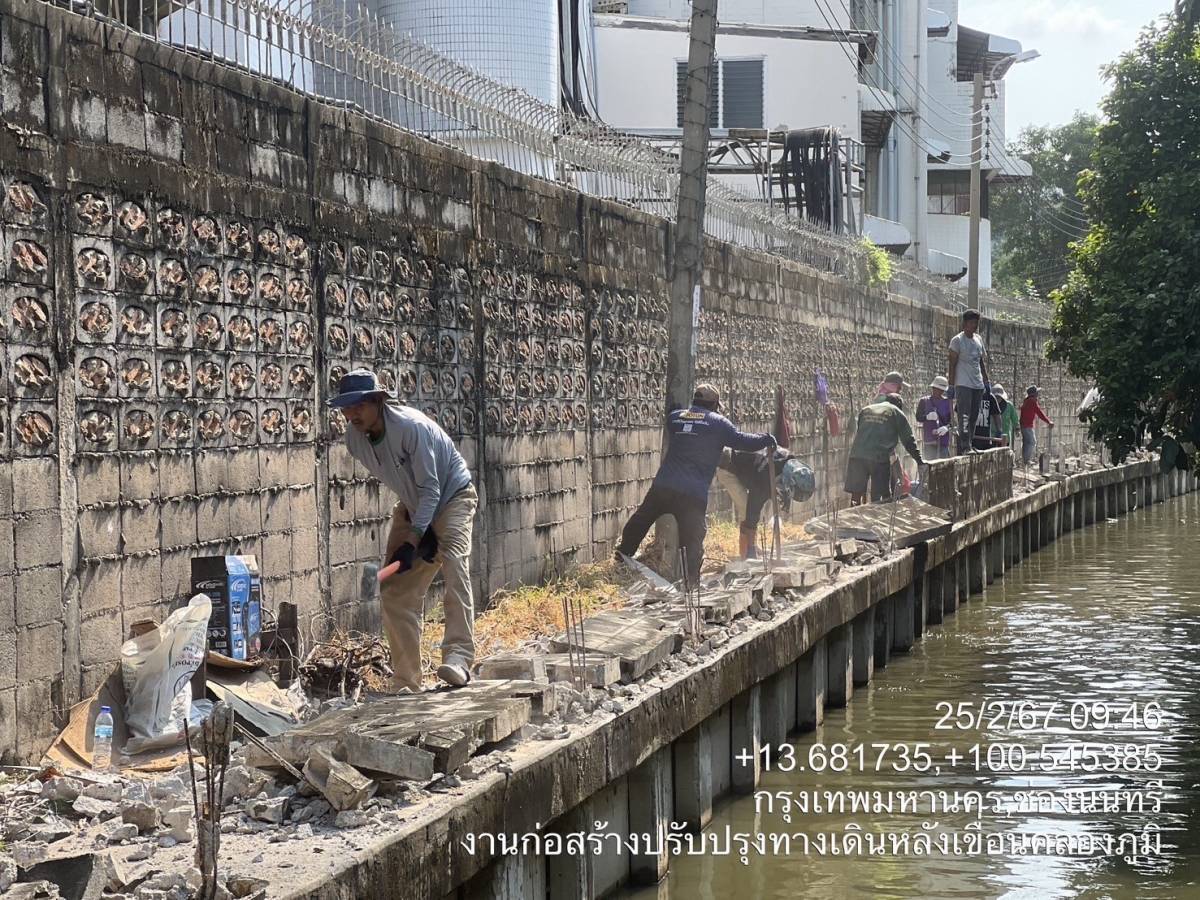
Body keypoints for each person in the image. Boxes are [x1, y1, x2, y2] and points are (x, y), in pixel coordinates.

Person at [331, 369, 478, 691]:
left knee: (454, 565)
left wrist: (416, 537)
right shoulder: (354, 439)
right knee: (395, 589)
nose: (352, 414)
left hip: (452, 497)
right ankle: (406, 681)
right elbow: (404, 483)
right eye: (346, 407)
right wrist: (419, 531)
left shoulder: (411, 428)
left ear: (378, 401)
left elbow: (432, 489)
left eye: (359, 405)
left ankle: (459, 659)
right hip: (414, 505)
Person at [617, 384, 775, 583]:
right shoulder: (719, 423)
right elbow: (742, 441)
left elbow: (672, 418)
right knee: (692, 541)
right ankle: (690, 583)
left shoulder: (676, 418)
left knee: (640, 522)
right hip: (692, 494)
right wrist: (766, 440)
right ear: (715, 405)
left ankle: (622, 558)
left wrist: (674, 410)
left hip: (664, 486)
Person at [716, 447, 815, 558]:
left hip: (748, 465)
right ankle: (746, 553)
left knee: (754, 512)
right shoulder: (765, 477)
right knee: (746, 509)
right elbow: (752, 511)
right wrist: (751, 550)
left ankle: (753, 546)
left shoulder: (790, 465)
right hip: (728, 468)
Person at [845, 394, 925, 505]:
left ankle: (854, 514)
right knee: (879, 497)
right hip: (879, 458)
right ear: (899, 405)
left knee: (856, 495)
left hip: (857, 455)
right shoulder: (897, 412)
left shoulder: (866, 409)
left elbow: (862, 432)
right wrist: (919, 461)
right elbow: (908, 441)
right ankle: (876, 514)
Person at [948, 309, 990, 454]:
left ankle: (970, 444)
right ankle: (965, 446)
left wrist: (986, 381)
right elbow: (952, 364)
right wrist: (951, 385)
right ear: (965, 323)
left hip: (977, 384)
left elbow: (981, 362)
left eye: (976, 323)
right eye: (972, 323)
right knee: (964, 416)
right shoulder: (957, 341)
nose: (975, 326)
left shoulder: (978, 339)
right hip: (963, 384)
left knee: (973, 417)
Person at [915, 376, 953, 460]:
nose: (938, 391)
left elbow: (953, 422)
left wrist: (946, 428)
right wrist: (927, 417)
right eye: (936, 389)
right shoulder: (924, 401)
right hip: (929, 442)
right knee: (930, 465)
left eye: (941, 390)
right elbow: (918, 417)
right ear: (933, 388)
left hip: (943, 442)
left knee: (944, 465)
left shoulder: (947, 403)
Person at [1020, 385, 1055, 465]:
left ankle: (1024, 461)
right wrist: (1048, 421)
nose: (1038, 394)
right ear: (1034, 393)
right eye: (1037, 392)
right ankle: (1026, 461)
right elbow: (1039, 413)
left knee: (1026, 443)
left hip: (1024, 425)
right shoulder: (1032, 401)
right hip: (1027, 426)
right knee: (1032, 442)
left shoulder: (1026, 401)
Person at [992, 384, 1020, 448]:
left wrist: (1017, 429)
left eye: (999, 397)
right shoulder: (990, 404)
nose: (997, 399)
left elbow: (1014, 418)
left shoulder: (1009, 406)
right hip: (992, 437)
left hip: (1005, 437)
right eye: (996, 397)